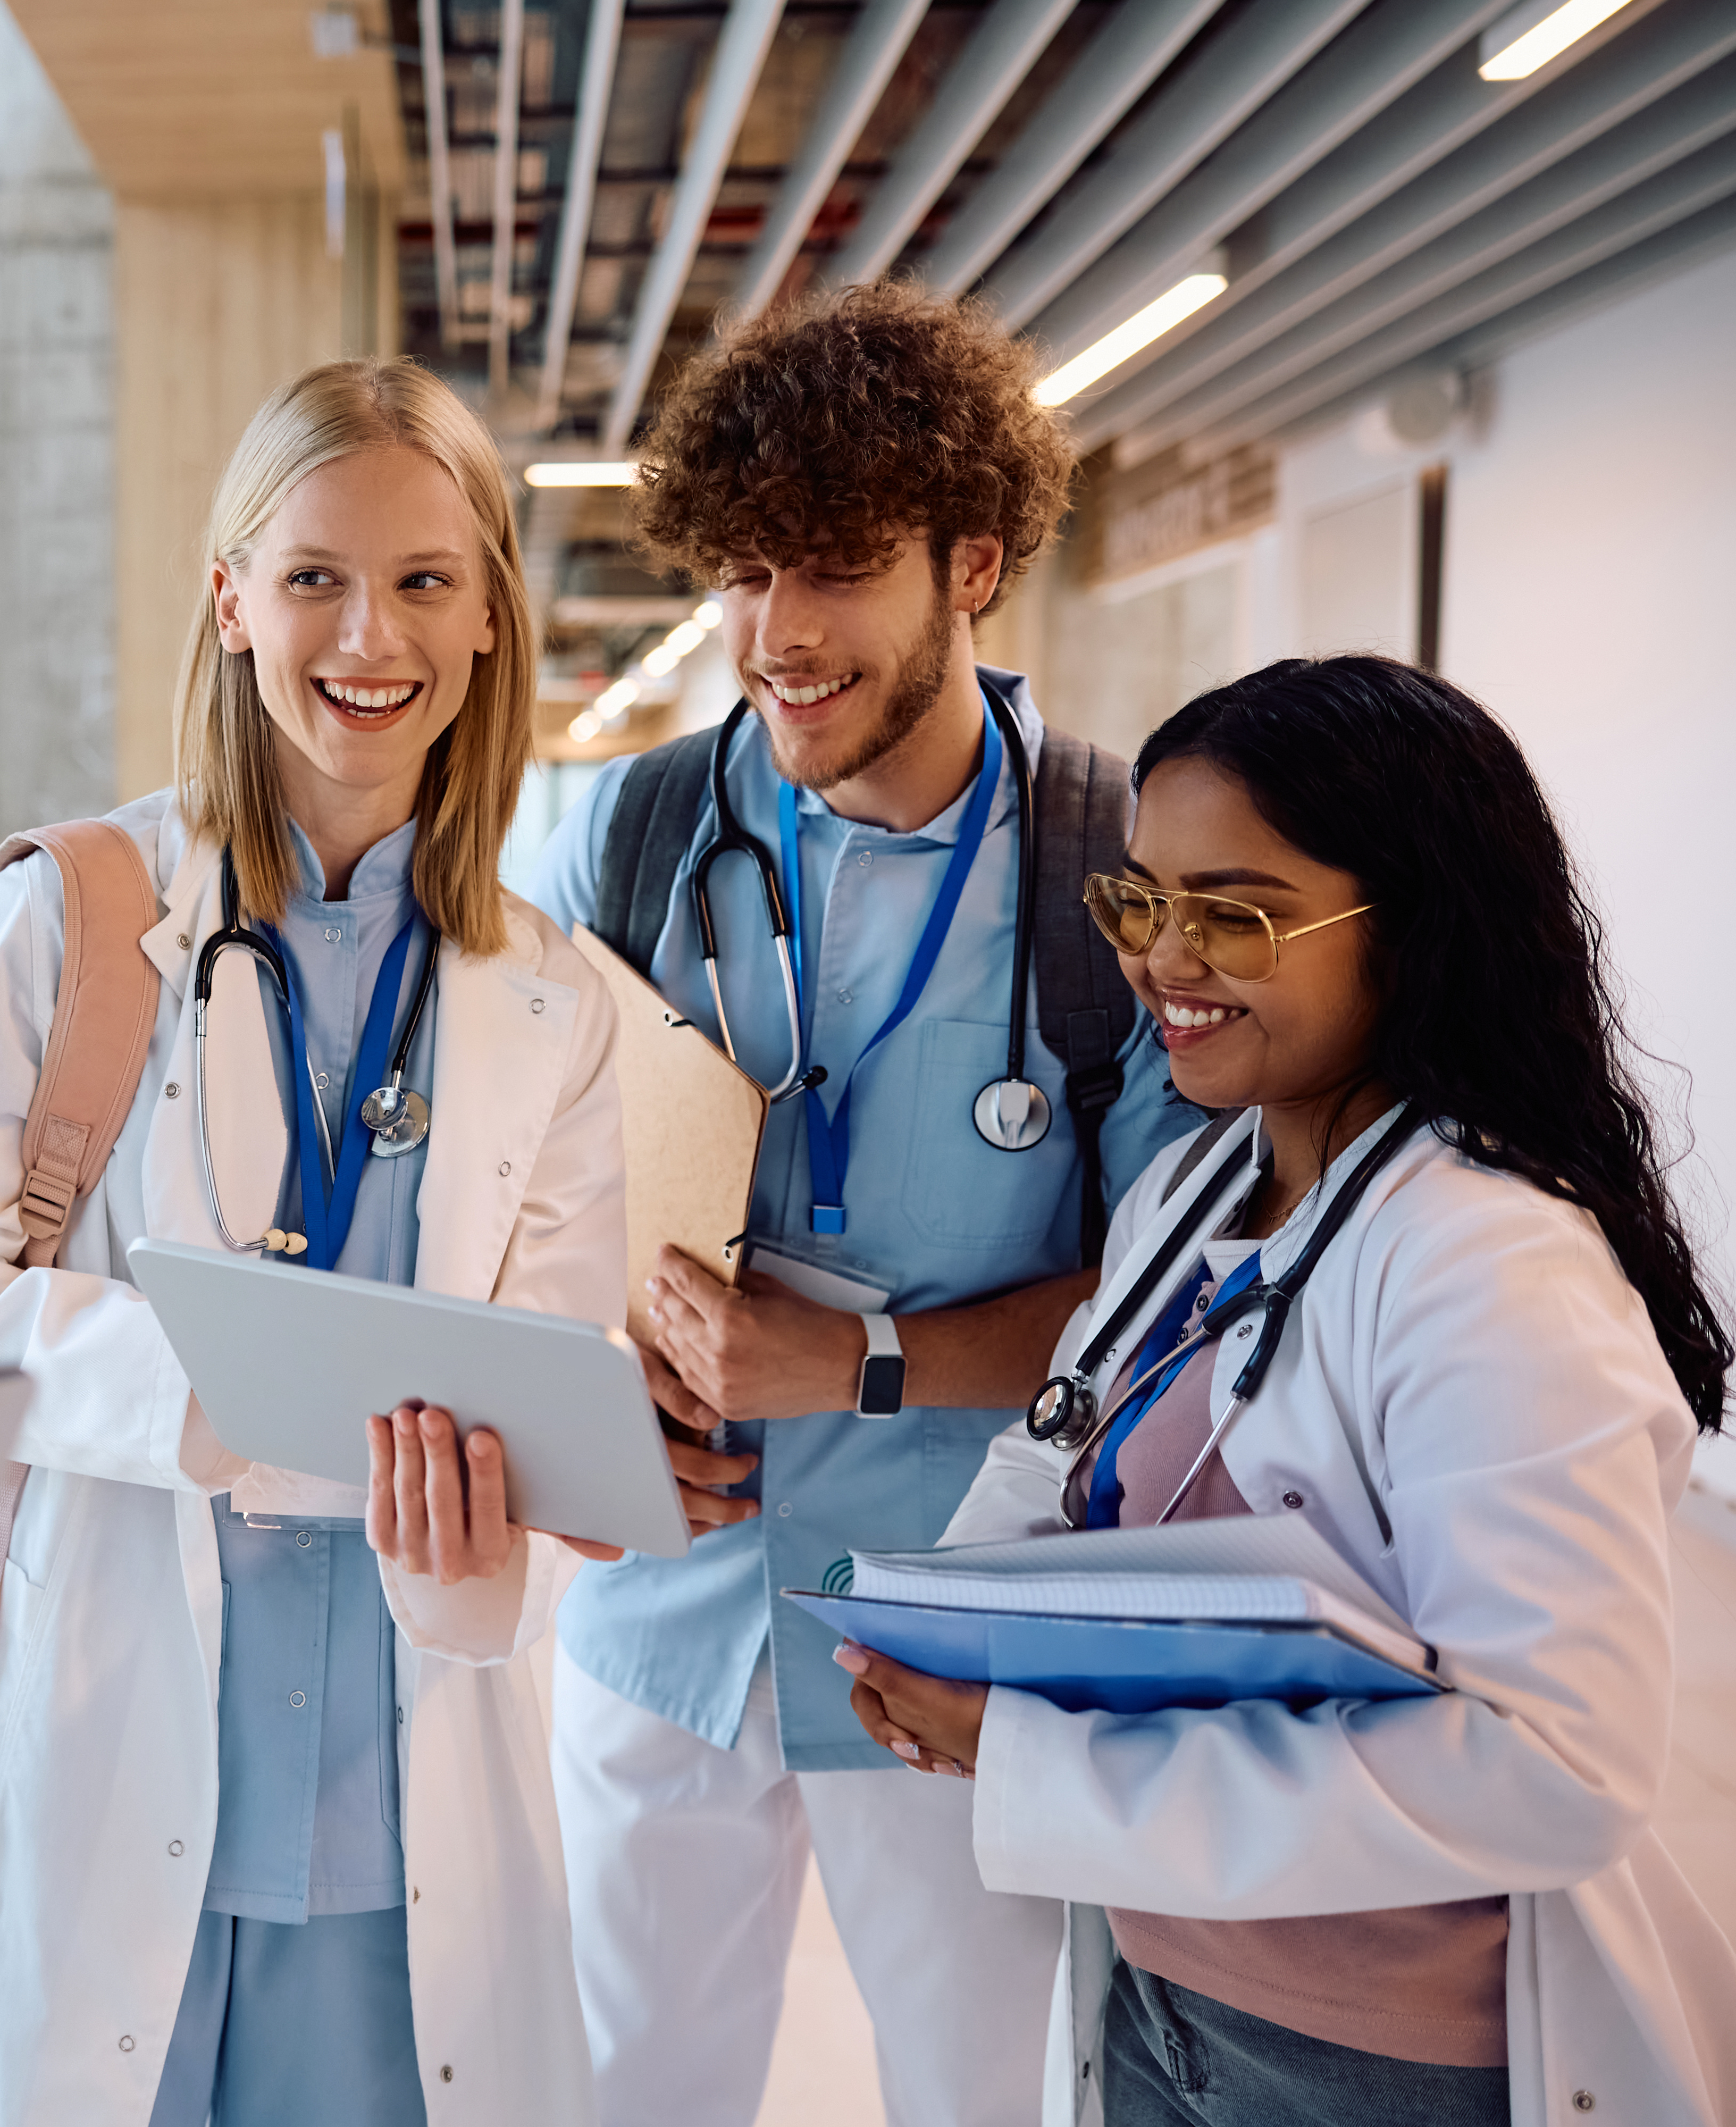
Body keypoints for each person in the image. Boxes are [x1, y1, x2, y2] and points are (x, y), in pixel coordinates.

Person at [0, 357, 622, 2127]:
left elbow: (558, 1392)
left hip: (402, 1802)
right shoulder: (73, 916)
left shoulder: (554, 1002)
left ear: (492, 615)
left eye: (428, 581)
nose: (372, 635)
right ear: (231, 597)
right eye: (315, 578)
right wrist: (203, 1394)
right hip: (122, 1739)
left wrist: (496, 1549)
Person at [841, 656, 1736, 2126]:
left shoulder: (1488, 1261)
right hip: (1164, 2001)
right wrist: (946, 1623)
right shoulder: (1201, 1189)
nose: (1162, 961)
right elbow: (1064, 1441)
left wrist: (1040, 1759)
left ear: (1415, 926)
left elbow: (1555, 1762)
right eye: (1139, 900)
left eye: (1236, 914)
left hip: (1378, 2061)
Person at [521, 281, 1190, 2125]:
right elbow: (533, 1191)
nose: (775, 633)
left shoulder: (1115, 872)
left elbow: (1163, 1304)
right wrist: (599, 1384)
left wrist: (862, 1363)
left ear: (973, 561)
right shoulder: (638, 834)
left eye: (831, 568)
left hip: (952, 1644)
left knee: (976, 2097)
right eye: (742, 568)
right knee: (629, 2094)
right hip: (666, 1623)